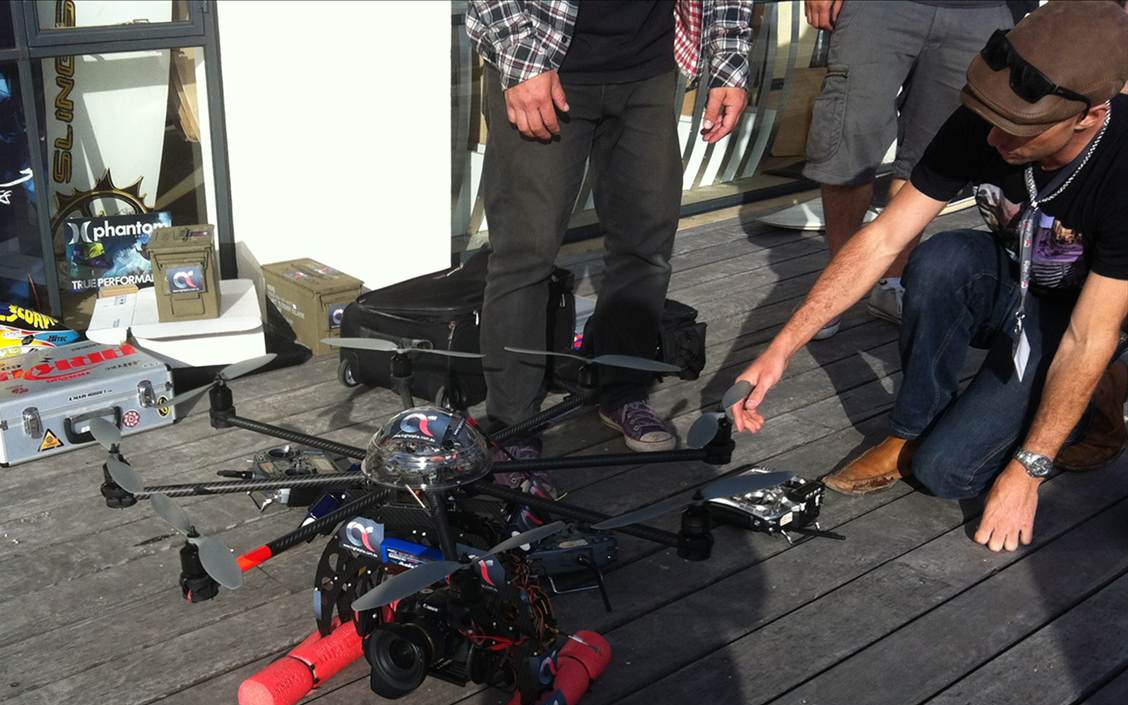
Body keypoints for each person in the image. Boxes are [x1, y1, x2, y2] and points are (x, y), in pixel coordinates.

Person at [729, 0, 1128, 553]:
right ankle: (910, 430)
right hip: (1016, 281)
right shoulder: (988, 121)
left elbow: (1088, 335)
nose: (994, 142)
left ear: (1089, 115)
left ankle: (1106, 389)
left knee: (950, 473)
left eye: (1020, 130)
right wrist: (781, 348)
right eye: (993, 121)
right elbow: (884, 239)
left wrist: (1028, 471)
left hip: (1087, 318)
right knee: (941, 258)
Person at [466, 0, 753, 487]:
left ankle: (622, 392)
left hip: (649, 65)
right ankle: (511, 424)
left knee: (646, 247)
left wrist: (728, 61)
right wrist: (521, 56)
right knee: (524, 255)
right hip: (544, 57)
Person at [802, 0, 1027, 339]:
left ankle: (893, 281)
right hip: (882, 8)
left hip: (984, 11)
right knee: (850, 136)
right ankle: (837, 285)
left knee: (932, 152)